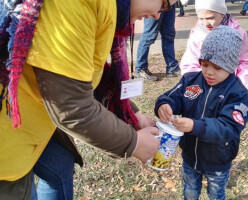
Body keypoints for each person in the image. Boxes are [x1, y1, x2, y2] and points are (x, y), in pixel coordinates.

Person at [0, 0, 178, 199]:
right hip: (8, 143)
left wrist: (134, 114)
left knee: (60, 165)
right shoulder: (77, 4)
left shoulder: (104, 7)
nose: (157, 15)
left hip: (28, 124)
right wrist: (134, 143)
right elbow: (71, 106)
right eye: (164, 4)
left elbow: (81, 73)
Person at [155, 25, 248, 200]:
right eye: (205, 64)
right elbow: (172, 96)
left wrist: (195, 126)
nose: (209, 72)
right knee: (190, 191)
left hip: (218, 160)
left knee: (216, 194)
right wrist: (164, 104)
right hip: (190, 156)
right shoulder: (191, 80)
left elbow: (228, 127)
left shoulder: (238, 93)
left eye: (217, 67)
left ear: (230, 66)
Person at [180, 0, 248, 93]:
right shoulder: (197, 35)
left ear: (222, 14)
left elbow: (243, 62)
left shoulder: (238, 34)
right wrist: (196, 84)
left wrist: (243, 85)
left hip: (230, 88)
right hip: (203, 87)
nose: (205, 23)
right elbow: (190, 63)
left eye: (210, 18)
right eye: (201, 19)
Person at [134, 1, 181, 81]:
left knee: (169, 34)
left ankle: (172, 68)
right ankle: (140, 69)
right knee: (149, 35)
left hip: (170, 3)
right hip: (155, 3)